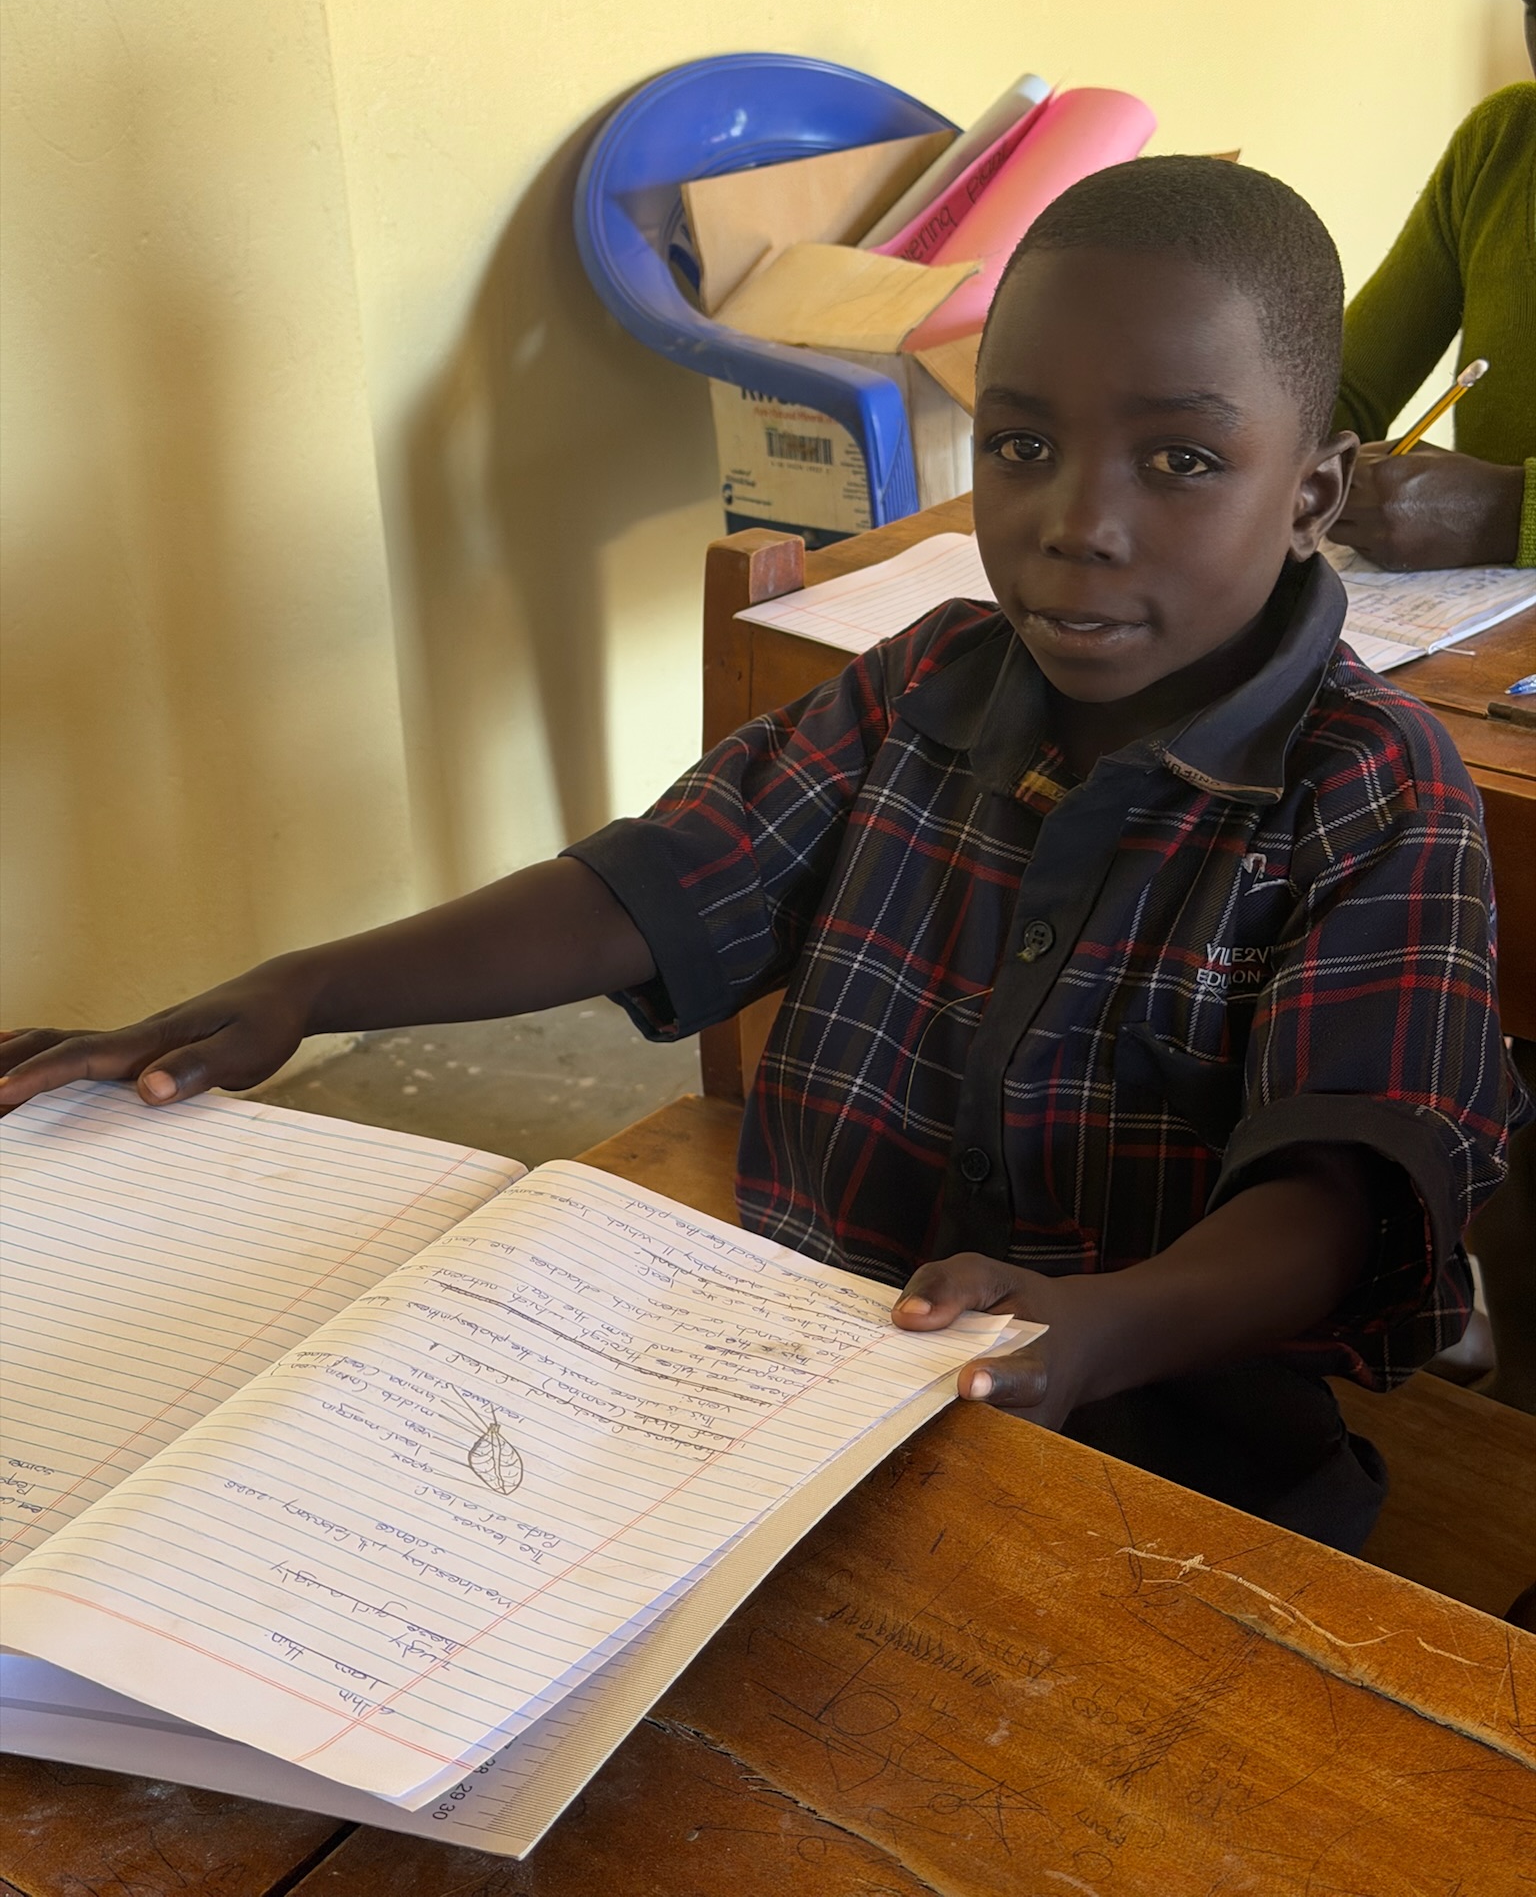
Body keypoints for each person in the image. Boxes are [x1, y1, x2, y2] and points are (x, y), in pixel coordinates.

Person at [1, 159, 1525, 1557]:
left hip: (1170, 1480)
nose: (1078, 522)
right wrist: (302, 989)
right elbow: (651, 888)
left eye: (1180, 460)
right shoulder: (921, 686)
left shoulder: (1373, 788)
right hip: (794, 1400)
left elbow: (1342, 1193)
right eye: (1021, 444)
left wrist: (1092, 1330)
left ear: (1313, 495)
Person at [1331, 0, 1535, 572]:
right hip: (1475, 628)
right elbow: (1348, 389)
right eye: (1535, 0)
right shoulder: (1505, 144)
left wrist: (1509, 513)